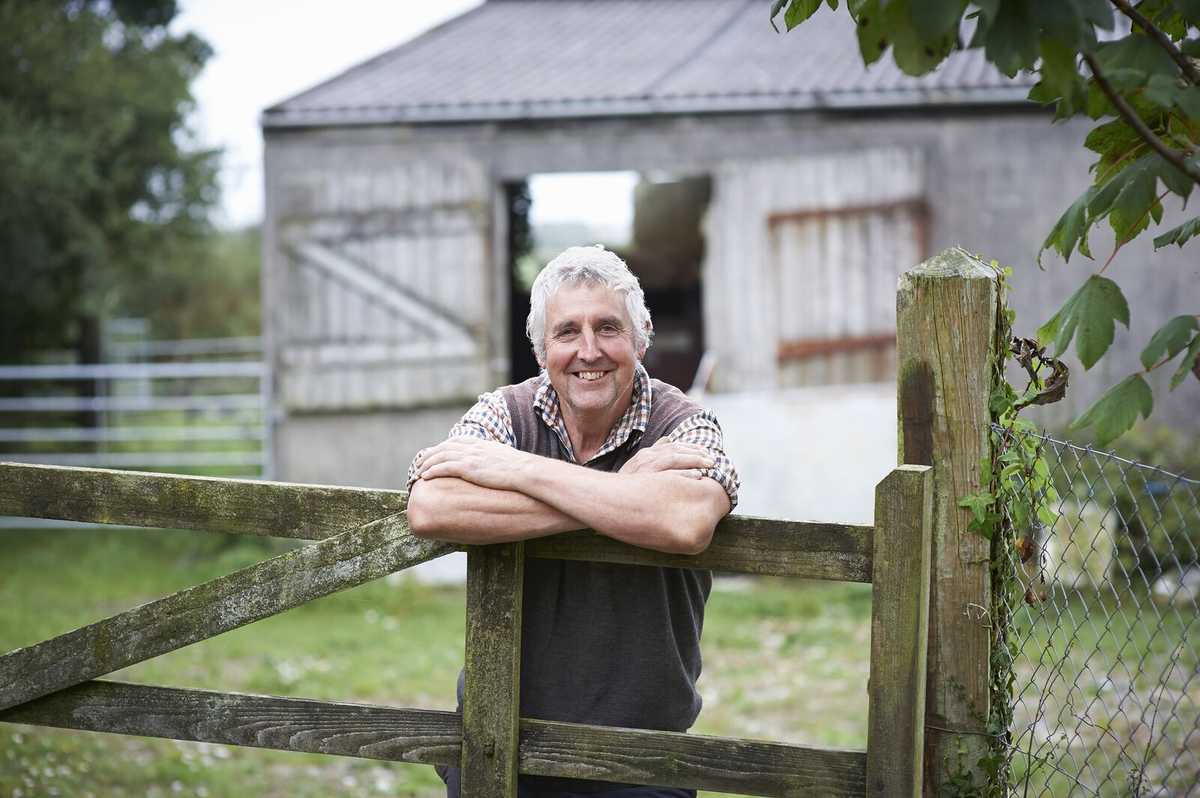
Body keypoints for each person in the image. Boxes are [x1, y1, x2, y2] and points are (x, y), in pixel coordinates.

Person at [406, 245, 740, 798]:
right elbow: (431, 506)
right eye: (567, 332)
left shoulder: (685, 423)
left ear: (641, 337)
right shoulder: (503, 412)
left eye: (608, 327)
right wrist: (625, 495)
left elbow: (684, 521)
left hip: (641, 758)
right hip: (499, 742)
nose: (589, 350)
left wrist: (515, 470)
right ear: (541, 349)